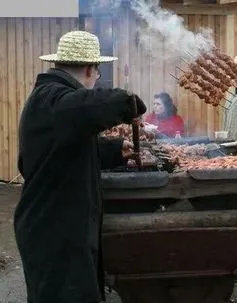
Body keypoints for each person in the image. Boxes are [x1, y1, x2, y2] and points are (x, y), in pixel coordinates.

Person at [14, 30, 147, 303]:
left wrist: (114, 150)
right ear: (90, 69)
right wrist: (128, 102)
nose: (96, 80)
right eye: (97, 73)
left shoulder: (52, 103)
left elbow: (63, 152)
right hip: (54, 233)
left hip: (57, 227)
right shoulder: (52, 99)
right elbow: (86, 107)